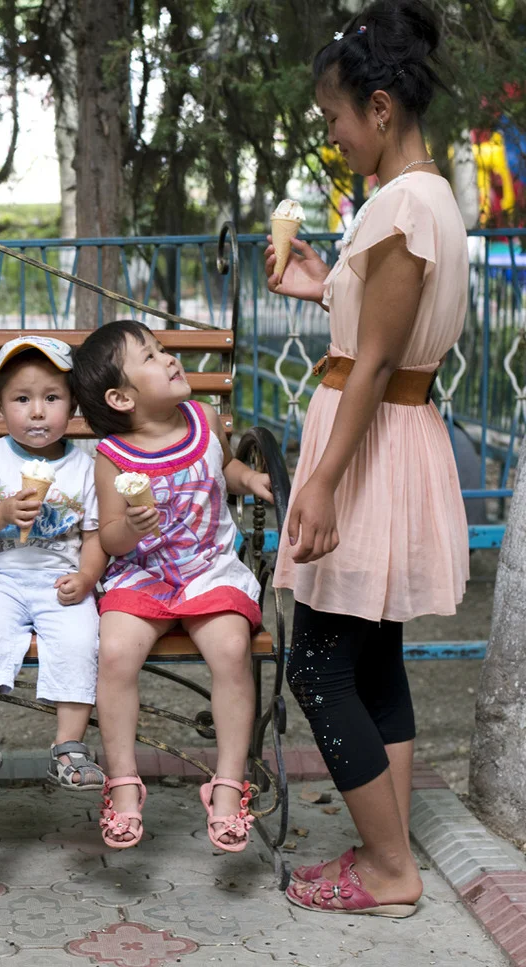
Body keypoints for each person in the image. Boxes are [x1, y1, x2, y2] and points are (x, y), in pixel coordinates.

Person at [269, 0, 466, 918]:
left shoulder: (401, 205)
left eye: (338, 119)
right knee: (374, 655)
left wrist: (320, 479)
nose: (336, 136)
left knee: (318, 664)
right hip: (390, 432)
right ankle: (384, 845)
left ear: (380, 107)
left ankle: (390, 868)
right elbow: (378, 338)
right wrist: (324, 286)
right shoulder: (426, 202)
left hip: (370, 444)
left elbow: (377, 363)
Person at [72, 320, 272, 853]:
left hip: (209, 569)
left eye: (163, 349)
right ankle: (123, 784)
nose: (168, 358)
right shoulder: (113, 455)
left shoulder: (204, 418)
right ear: (120, 397)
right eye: (151, 357)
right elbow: (111, 538)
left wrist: (248, 479)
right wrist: (129, 528)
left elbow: (223, 466)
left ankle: (228, 784)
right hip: (142, 575)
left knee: (231, 650)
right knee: (113, 652)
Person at [0, 335, 106, 802]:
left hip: (62, 579)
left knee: (83, 638)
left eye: (51, 398)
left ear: (73, 407)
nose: (37, 412)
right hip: (0, 578)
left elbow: (95, 535)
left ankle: (68, 746)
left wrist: (87, 578)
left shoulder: (86, 466)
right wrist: (0, 516)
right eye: (22, 399)